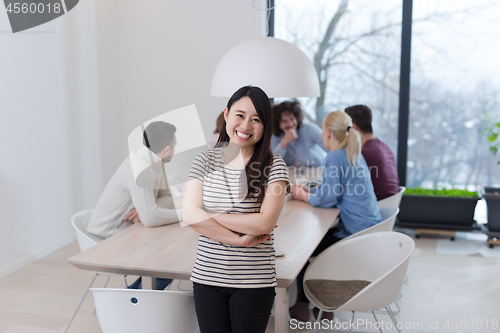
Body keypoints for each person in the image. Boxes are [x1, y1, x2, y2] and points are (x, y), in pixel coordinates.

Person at [183, 86, 290, 333]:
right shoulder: (204, 161)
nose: (246, 125)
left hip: (253, 282)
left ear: (265, 126)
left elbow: (264, 223)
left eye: (256, 119)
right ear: (227, 114)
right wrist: (238, 239)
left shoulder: (275, 166)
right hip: (207, 278)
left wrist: (209, 214)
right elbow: (189, 214)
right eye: (240, 115)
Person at [289, 110, 382, 321]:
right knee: (317, 243)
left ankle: (304, 307)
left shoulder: (335, 156)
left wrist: (302, 195)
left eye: (323, 130)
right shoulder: (353, 154)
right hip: (369, 232)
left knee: (304, 249)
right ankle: (325, 308)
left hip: (355, 238)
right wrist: (312, 192)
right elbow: (333, 192)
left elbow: (327, 199)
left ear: (328, 133)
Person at [87, 121, 182, 290]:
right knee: (166, 265)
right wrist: (188, 214)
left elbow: (166, 197)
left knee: (166, 258)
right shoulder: (140, 167)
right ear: (167, 149)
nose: (175, 149)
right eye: (175, 145)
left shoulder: (155, 160)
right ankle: (131, 304)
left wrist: (145, 208)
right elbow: (151, 218)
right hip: (104, 240)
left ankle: (131, 300)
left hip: (127, 231)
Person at [345, 104, 399, 200]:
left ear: (353, 127)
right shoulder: (382, 146)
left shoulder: (366, 154)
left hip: (377, 206)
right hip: (388, 205)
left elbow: (346, 188)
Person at [271, 100, 328, 166]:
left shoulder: (310, 129)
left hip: (316, 171)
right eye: (284, 121)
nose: (290, 124)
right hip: (291, 174)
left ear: (296, 117)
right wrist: (284, 141)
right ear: (277, 124)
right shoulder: (274, 136)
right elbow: (272, 162)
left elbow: (330, 147)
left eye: (292, 119)